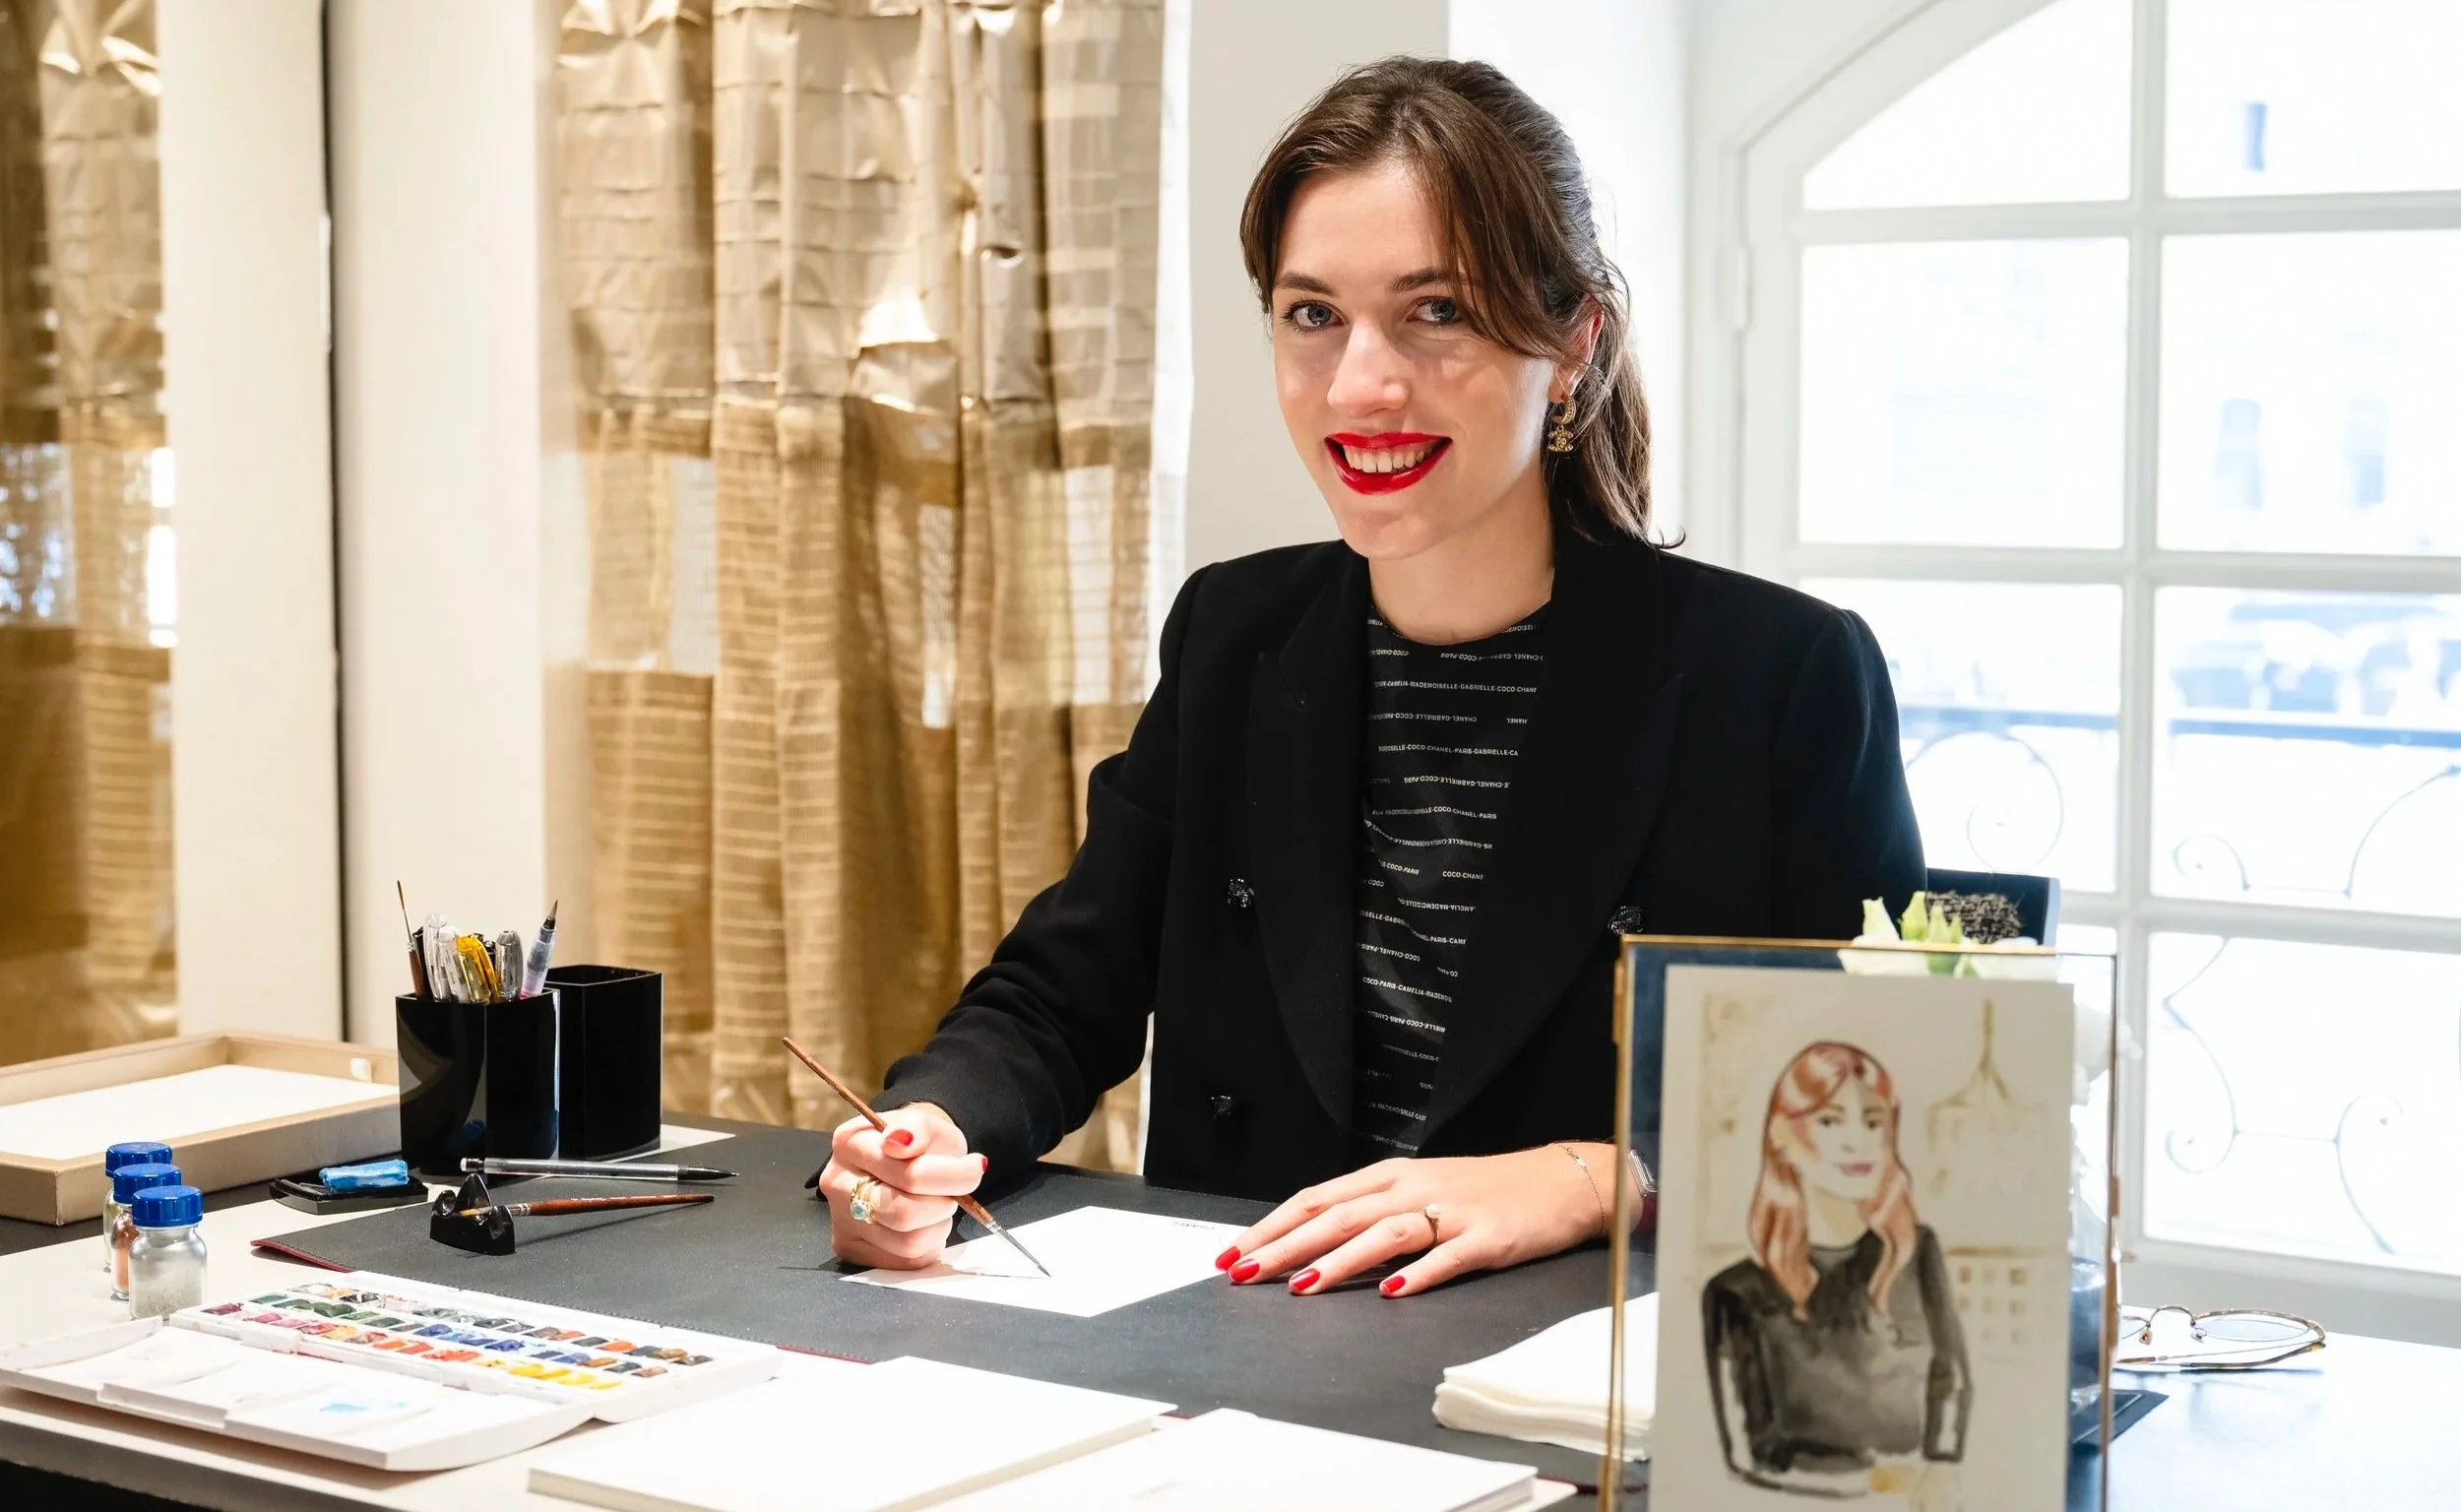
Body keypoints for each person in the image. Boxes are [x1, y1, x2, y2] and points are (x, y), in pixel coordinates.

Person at [816, 56, 1925, 1297]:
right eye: (1312, 316)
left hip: (1575, 1359)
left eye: (1434, 310)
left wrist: (1599, 1176)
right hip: (1242, 1339)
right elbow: (1059, 995)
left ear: (1574, 342)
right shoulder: (1233, 630)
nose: (1358, 386)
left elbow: (1886, 1092)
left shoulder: (1777, 675)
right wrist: (924, 1134)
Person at [1703, 1043, 1971, 1492]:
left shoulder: (1915, 1250)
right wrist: (1881, 1483)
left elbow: (1951, 1377)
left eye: (1873, 1122)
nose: (1857, 1141)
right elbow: (1748, 1457)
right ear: (1781, 1136)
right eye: (1829, 1121)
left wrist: (1941, 1469)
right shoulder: (1736, 1293)